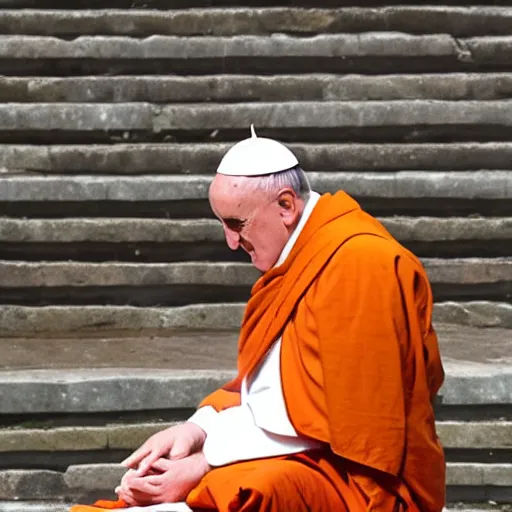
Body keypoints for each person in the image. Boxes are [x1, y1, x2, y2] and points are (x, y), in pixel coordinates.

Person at [71, 127, 446, 512]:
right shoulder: (306, 253)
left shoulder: (361, 264)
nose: (231, 242)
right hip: (307, 457)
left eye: (237, 224)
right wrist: (198, 428)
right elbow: (274, 387)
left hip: (361, 479)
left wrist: (205, 463)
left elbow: (347, 420)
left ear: (286, 206)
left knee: (243, 491)